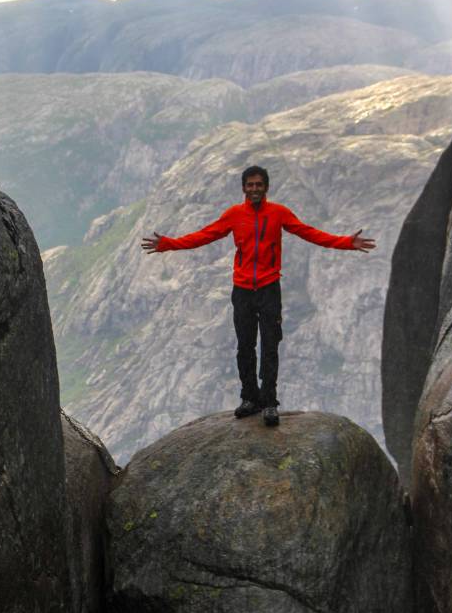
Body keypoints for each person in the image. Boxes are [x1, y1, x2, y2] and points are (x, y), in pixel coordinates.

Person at [141, 165, 375, 426]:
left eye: (258, 184)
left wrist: (344, 242)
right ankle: (249, 398)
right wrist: (169, 244)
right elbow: (205, 236)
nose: (254, 189)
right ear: (243, 188)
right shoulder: (234, 215)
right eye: (250, 185)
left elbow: (307, 232)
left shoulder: (278, 213)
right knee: (245, 345)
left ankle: (269, 402)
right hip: (242, 290)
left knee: (270, 344)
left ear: (266, 187)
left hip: (268, 288)